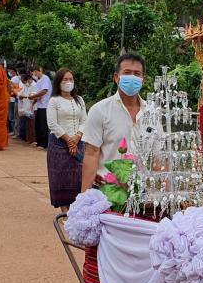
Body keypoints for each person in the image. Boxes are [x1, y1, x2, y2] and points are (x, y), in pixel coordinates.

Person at [81, 53, 154, 191]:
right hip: (107, 191)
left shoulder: (152, 113)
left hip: (143, 195)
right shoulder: (100, 111)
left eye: (137, 74)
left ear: (143, 80)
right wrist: (84, 198)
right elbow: (91, 154)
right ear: (116, 77)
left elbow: (158, 158)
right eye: (127, 72)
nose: (132, 77)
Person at [47, 68, 88, 211]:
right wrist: (69, 140)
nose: (68, 82)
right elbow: (52, 124)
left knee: (77, 176)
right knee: (61, 177)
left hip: (78, 142)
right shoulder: (54, 101)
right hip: (59, 143)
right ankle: (64, 210)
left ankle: (75, 208)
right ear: (58, 82)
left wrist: (77, 137)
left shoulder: (79, 100)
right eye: (65, 79)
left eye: (71, 79)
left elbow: (84, 120)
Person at [30, 65, 53, 149]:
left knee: (43, 125)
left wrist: (33, 96)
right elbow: (38, 93)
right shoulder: (38, 81)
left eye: (34, 73)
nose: (34, 75)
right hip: (39, 105)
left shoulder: (45, 78)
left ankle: (44, 144)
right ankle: (39, 142)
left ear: (37, 71)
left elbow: (44, 91)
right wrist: (34, 101)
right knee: (38, 124)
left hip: (45, 105)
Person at [17, 70, 36, 143]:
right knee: (28, 124)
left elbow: (33, 96)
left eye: (24, 82)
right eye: (23, 82)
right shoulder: (26, 86)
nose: (24, 83)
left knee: (32, 124)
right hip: (26, 107)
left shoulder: (34, 85)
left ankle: (33, 140)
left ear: (28, 80)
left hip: (32, 107)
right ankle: (29, 139)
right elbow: (20, 93)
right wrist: (20, 96)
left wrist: (23, 96)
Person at [8, 66, 21, 137]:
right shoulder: (18, 78)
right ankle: (15, 131)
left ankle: (14, 131)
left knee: (12, 116)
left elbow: (12, 88)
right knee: (15, 116)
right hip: (15, 99)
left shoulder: (14, 78)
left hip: (13, 99)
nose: (9, 72)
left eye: (10, 71)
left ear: (13, 71)